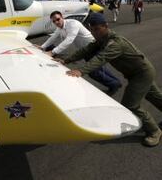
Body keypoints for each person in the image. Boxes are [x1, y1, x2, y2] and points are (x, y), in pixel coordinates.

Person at [60, 12, 162, 147]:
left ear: (105, 26)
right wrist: (66, 60)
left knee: (131, 104)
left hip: (141, 74)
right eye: (92, 29)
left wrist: (81, 71)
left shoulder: (115, 43)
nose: (94, 32)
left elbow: (101, 58)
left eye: (97, 29)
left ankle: (154, 131)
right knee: (154, 96)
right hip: (136, 73)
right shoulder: (102, 40)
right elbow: (86, 50)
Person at [38, 11, 121, 95]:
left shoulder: (73, 24)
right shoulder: (60, 28)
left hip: (93, 46)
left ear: (62, 17)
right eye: (54, 21)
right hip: (85, 49)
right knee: (99, 68)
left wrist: (52, 52)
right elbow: (53, 37)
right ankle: (116, 83)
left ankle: (113, 84)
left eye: (57, 19)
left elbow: (69, 40)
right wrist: (42, 47)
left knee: (93, 71)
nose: (56, 22)